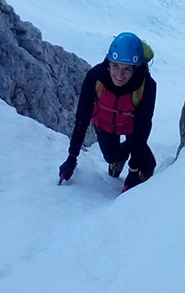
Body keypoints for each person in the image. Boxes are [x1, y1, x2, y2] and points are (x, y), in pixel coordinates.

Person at [59, 32, 157, 192]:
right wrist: (72, 157)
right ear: (109, 62)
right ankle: (121, 156)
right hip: (105, 122)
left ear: (135, 68)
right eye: (115, 66)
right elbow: (82, 119)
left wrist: (133, 170)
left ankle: (147, 161)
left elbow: (143, 127)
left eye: (127, 69)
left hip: (132, 125)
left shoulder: (147, 86)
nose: (119, 74)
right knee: (111, 157)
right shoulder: (95, 77)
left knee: (140, 152)